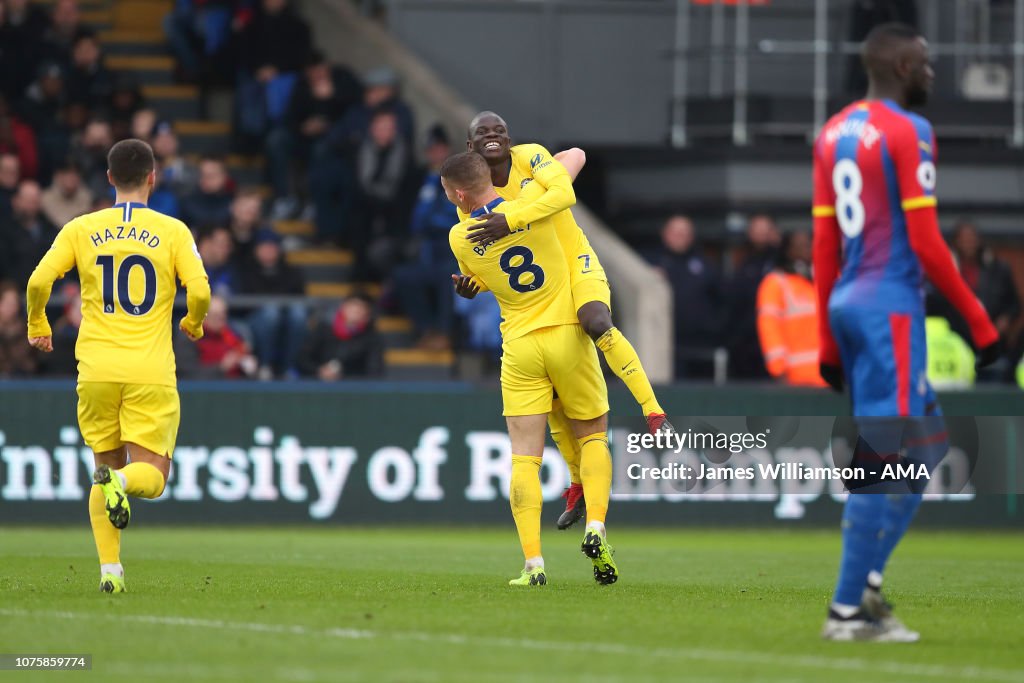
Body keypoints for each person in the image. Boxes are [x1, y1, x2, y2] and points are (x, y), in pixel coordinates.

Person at [813, 23, 1000, 641]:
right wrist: (978, 320)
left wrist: (826, 338)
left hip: (849, 302)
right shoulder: (908, 131)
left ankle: (865, 583)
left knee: (926, 450)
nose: (930, 73)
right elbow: (923, 242)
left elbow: (822, 246)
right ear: (897, 66)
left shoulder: (833, 132)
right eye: (922, 63)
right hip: (889, 306)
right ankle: (845, 613)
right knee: (882, 457)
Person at [459, 111, 673, 531]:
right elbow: (498, 263)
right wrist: (476, 285)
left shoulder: (531, 157)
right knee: (556, 392)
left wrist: (513, 216)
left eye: (498, 129)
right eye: (483, 133)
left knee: (596, 320)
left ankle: (654, 412)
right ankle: (577, 482)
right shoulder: (473, 199)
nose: (493, 136)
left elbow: (565, 194)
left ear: (509, 137)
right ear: (471, 147)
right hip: (545, 288)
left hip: (576, 262)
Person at [25, 138, 211, 593]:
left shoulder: (80, 228)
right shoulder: (173, 231)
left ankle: (111, 572)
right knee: (151, 478)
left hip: (96, 371)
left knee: (101, 466)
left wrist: (37, 323)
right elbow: (201, 291)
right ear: (153, 177)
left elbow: (38, 280)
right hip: (149, 372)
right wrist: (193, 321)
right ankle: (122, 482)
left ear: (108, 179)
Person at [444, 151, 616, 587]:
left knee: (524, 458)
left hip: (520, 346)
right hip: (566, 335)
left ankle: (533, 565)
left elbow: (482, 272)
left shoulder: (459, 238)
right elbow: (572, 166)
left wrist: (471, 287)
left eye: (448, 192)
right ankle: (595, 527)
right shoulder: (536, 207)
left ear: (460, 194)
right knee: (593, 435)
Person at [393, 125, 459, 350]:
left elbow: (457, 219)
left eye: (439, 149)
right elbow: (414, 220)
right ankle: (426, 329)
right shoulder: (422, 178)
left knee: (447, 276)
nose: (436, 155)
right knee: (403, 275)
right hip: (427, 249)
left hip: (455, 249)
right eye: (431, 150)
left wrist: (433, 221)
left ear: (447, 150)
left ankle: (444, 333)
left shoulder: (461, 178)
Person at [646, 215, 723, 379]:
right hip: (664, 347)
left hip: (701, 347)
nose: (680, 236)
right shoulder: (650, 263)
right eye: (675, 232)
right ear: (665, 234)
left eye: (685, 232)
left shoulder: (705, 264)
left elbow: (722, 300)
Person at [756, 231, 826, 387]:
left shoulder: (825, 279)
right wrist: (779, 370)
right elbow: (769, 329)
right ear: (788, 251)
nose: (807, 249)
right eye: (800, 246)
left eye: (809, 244)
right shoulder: (776, 283)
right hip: (796, 379)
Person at [240, 229, 307, 378]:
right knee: (271, 313)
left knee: (298, 314)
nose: (269, 251)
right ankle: (265, 365)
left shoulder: (291, 272)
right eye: (264, 246)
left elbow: (300, 298)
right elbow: (244, 304)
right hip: (254, 320)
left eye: (272, 246)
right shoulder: (246, 271)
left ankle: (289, 367)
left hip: (286, 318)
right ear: (256, 249)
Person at [725, 213, 780, 379]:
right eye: (757, 230)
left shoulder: (783, 263)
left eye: (766, 230)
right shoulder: (742, 264)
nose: (762, 235)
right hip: (746, 345)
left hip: (776, 343)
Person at [298, 294, 382, 380]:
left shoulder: (372, 338)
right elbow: (303, 359)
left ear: (367, 315)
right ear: (343, 307)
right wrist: (319, 370)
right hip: (316, 384)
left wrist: (343, 377)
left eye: (361, 308)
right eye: (353, 306)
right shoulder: (323, 329)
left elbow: (374, 371)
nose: (356, 310)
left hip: (352, 388)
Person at [2, 179, 58, 288]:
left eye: (35, 201)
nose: (31, 206)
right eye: (28, 201)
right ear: (15, 201)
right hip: (14, 291)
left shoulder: (51, 230)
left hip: (48, 292)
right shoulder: (4, 231)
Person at [195, 294, 257, 379]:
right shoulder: (191, 338)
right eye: (216, 316)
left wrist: (249, 365)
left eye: (223, 314)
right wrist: (222, 367)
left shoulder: (233, 335)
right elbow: (189, 374)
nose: (222, 319)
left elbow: (248, 365)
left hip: (236, 387)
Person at [0, 281, 37, 377]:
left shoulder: (28, 331)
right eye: (7, 303)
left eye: (14, 303)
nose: (11, 308)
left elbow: (30, 364)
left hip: (22, 383)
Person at [41, 161, 93, 227]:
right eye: (67, 173)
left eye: (75, 173)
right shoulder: (46, 198)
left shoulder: (87, 197)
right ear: (58, 176)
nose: (71, 177)